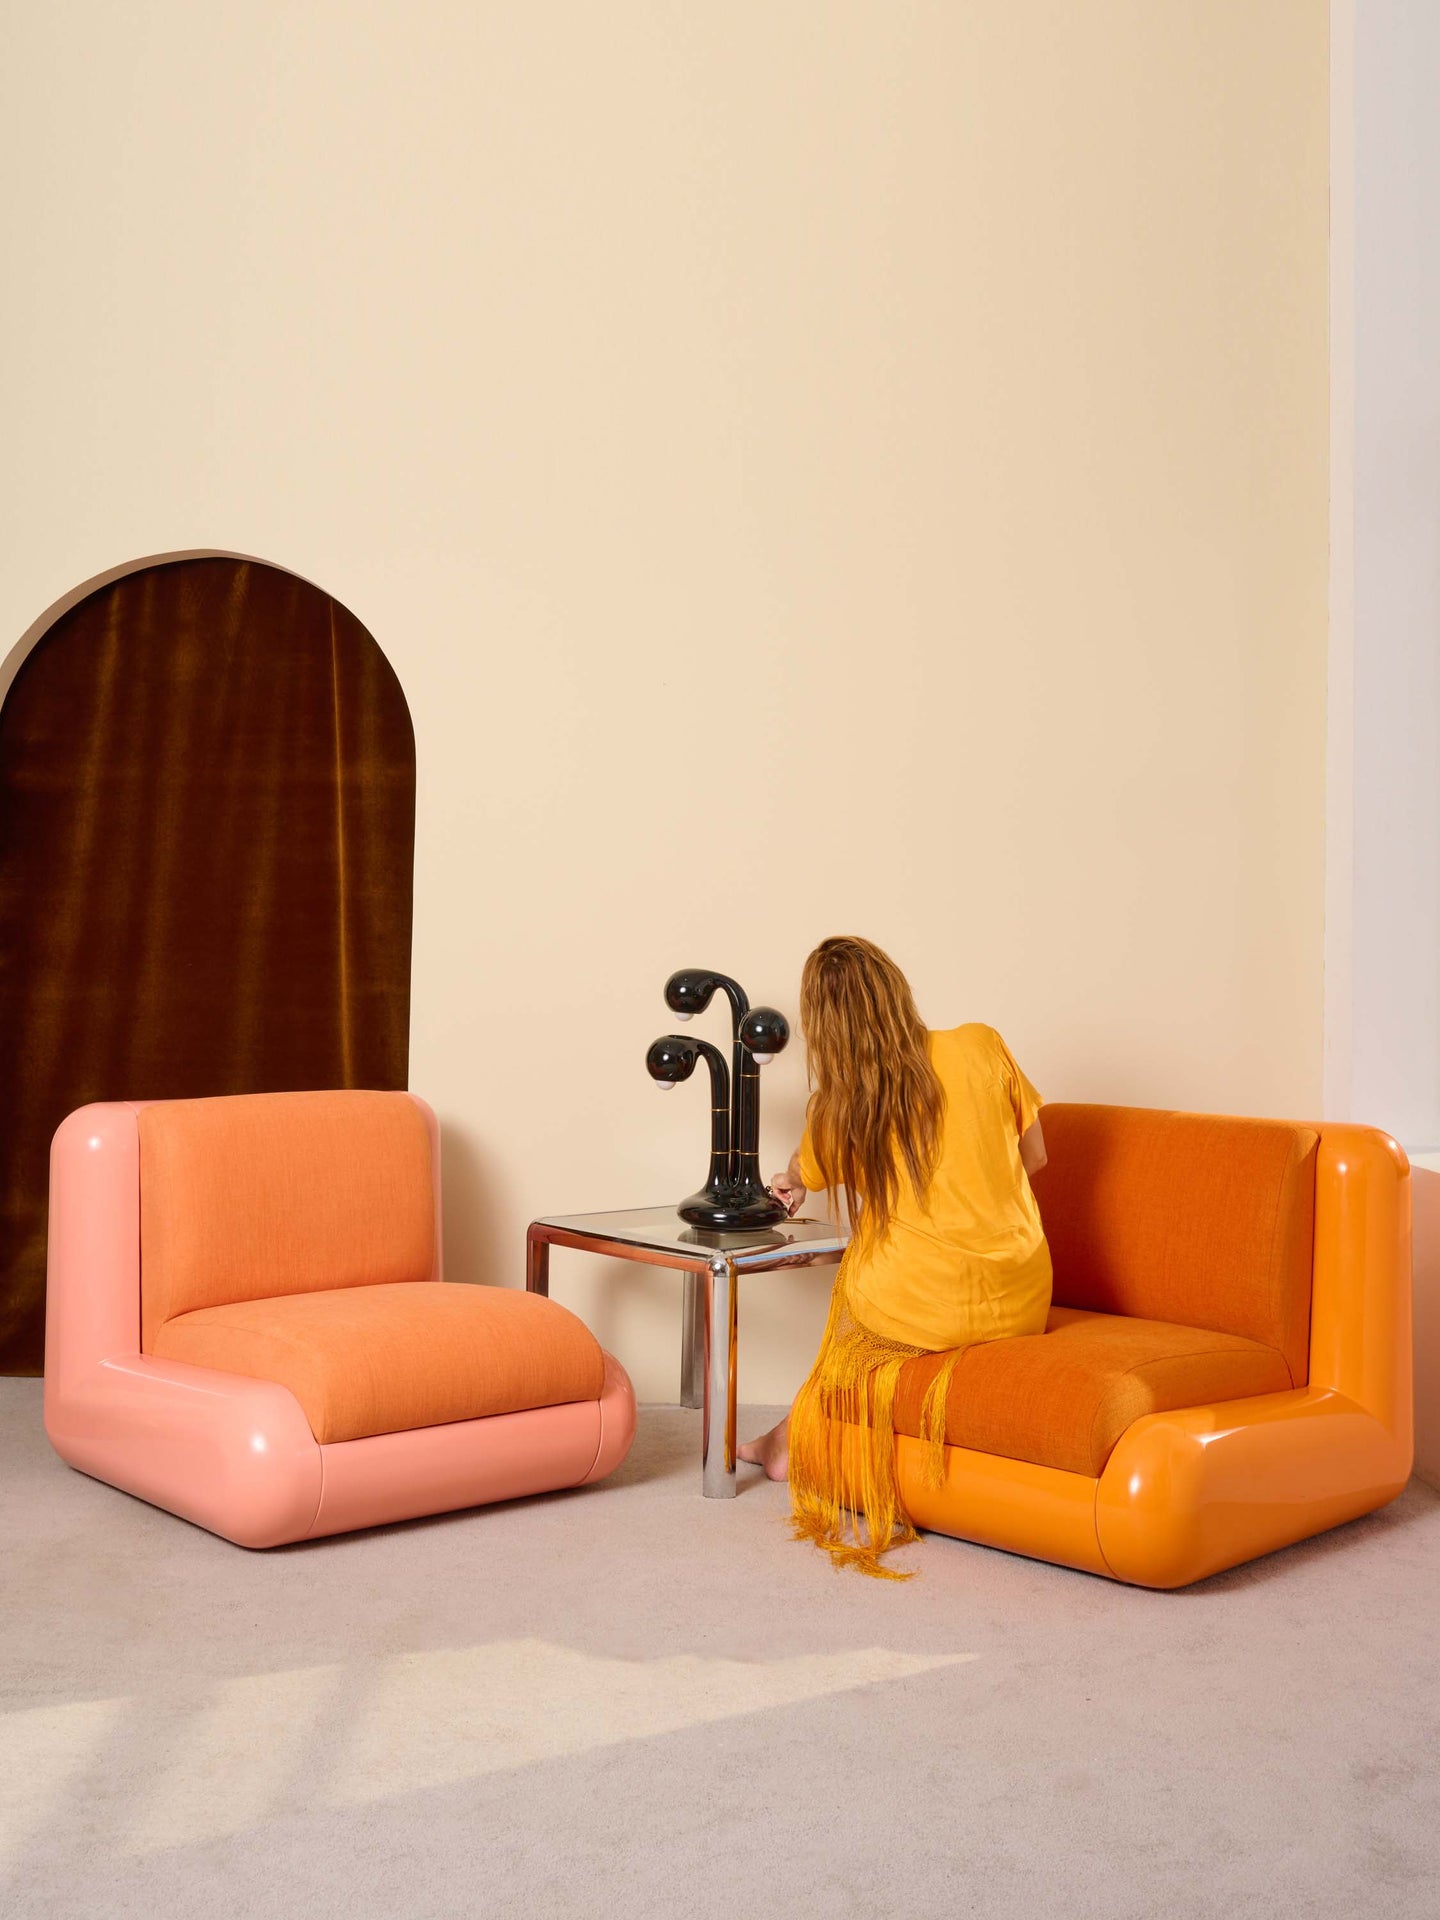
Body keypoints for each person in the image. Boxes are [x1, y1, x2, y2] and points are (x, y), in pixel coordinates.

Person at [737, 935, 1051, 1577]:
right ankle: (779, 1439)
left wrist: (790, 1176)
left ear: (824, 1028)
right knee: (879, 1265)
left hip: (924, 1310)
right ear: (895, 987)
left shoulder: (840, 1104)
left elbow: (806, 1171)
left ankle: (791, 1445)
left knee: (854, 1293)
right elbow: (1035, 1157)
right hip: (1023, 1297)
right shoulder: (979, 1045)